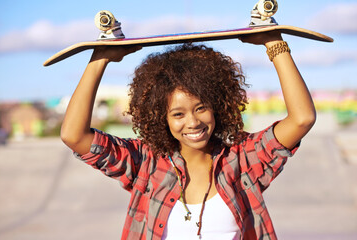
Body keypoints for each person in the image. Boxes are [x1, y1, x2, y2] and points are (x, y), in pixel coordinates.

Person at [61, 31, 316, 240]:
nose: (193, 122)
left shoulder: (242, 160)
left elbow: (302, 118)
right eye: (178, 114)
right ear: (163, 118)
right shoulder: (146, 164)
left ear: (217, 105)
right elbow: (74, 135)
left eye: (201, 108)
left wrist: (274, 44)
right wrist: (100, 58)